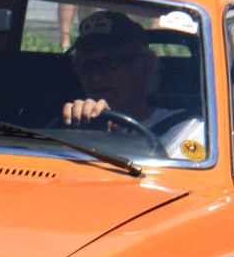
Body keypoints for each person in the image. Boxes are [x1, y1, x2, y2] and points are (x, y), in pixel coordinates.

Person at [60, 10, 205, 160]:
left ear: (144, 66)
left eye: (110, 62)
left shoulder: (185, 129)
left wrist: (111, 143)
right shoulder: (67, 125)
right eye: (86, 64)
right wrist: (80, 136)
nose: (95, 76)